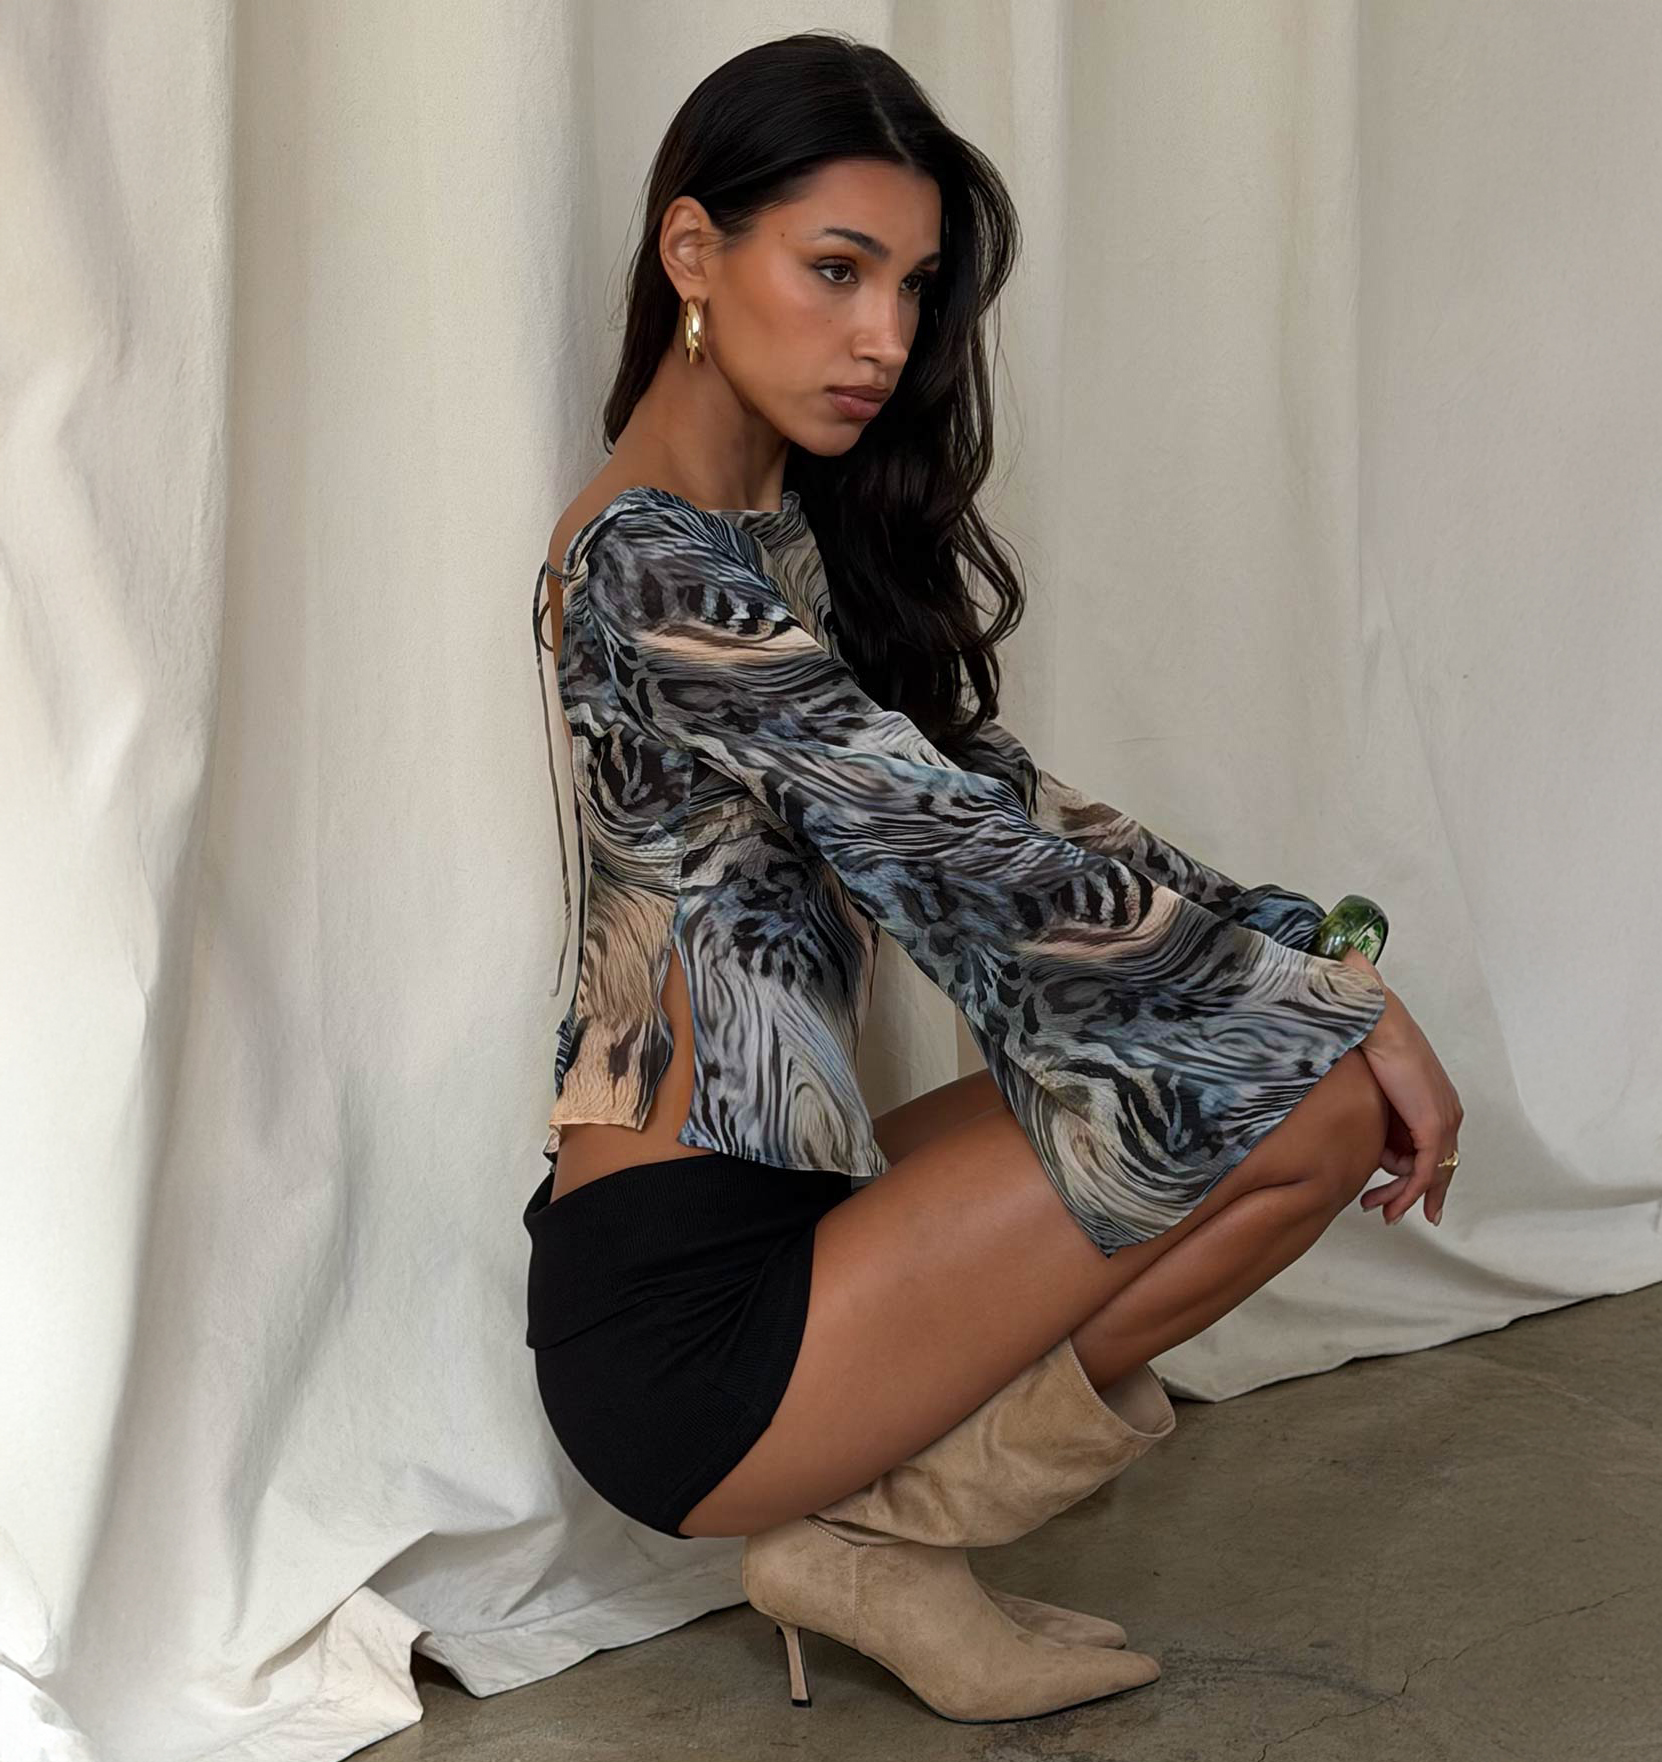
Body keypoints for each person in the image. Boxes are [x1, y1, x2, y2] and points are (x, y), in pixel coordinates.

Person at [522, 29, 1463, 1724]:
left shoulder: (783, 535)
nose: (886, 338)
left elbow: (1008, 799)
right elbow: (968, 864)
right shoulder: (648, 562)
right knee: (1312, 1091)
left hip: (795, 1220)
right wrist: (1339, 1000)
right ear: (693, 254)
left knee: (1309, 1094)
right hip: (681, 1319)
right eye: (837, 269)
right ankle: (876, 1544)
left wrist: (1308, 956)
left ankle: (872, 1547)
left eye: (913, 287)